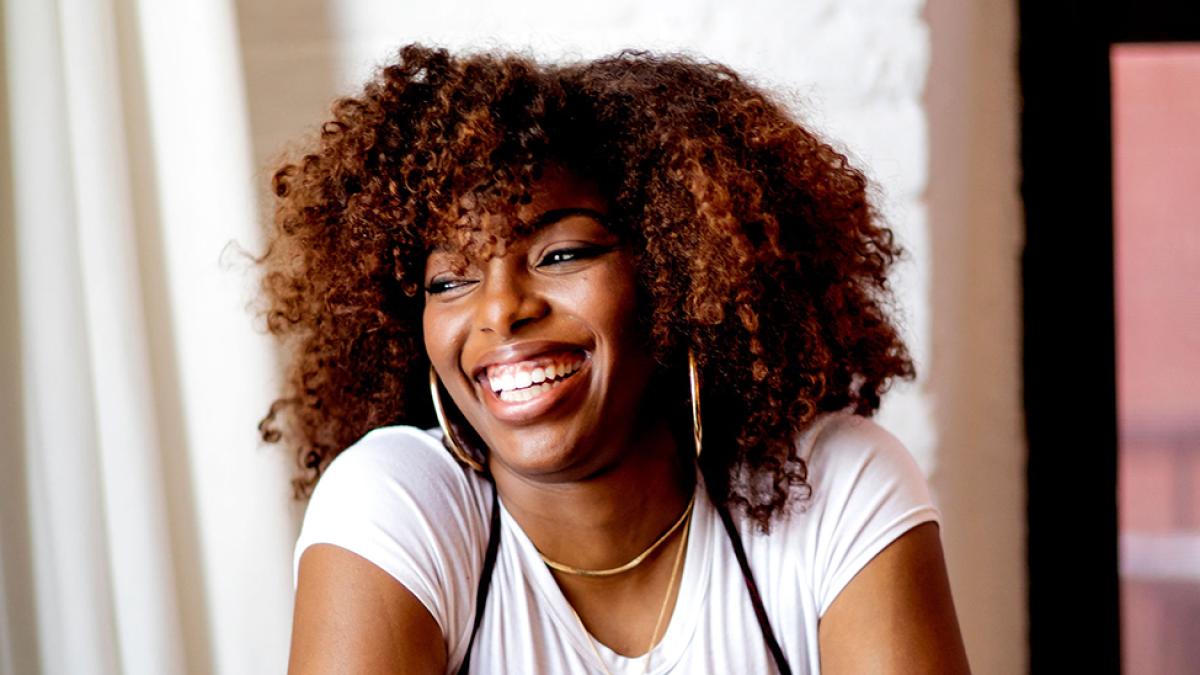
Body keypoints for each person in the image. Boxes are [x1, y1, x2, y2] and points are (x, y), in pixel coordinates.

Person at [256, 43, 971, 674]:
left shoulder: (836, 489)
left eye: (560, 253)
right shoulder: (399, 506)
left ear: (676, 270)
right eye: (451, 279)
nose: (499, 309)